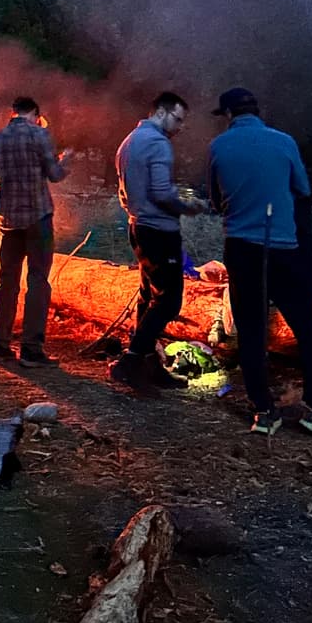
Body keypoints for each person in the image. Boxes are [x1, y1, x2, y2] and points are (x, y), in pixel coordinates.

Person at [208, 87, 312, 437]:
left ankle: (264, 412)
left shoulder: (218, 147)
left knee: (251, 331)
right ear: (258, 112)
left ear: (229, 115)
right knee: (308, 331)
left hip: (242, 249)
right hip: (285, 248)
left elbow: (216, 201)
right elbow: (302, 189)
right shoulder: (285, 142)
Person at [111, 92, 209, 396]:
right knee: (169, 300)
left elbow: (124, 190)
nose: (179, 127)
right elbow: (162, 193)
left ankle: (148, 365)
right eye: (178, 119)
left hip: (139, 226)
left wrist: (135, 214)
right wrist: (192, 206)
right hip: (158, 230)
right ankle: (129, 363)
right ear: (162, 112)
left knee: (147, 296)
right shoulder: (157, 144)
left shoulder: (129, 141)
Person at [0, 95, 72, 367]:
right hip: (38, 219)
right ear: (35, 113)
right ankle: (32, 349)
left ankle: (0, 345)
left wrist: (6, 180)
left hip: (8, 221)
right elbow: (55, 174)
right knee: (38, 280)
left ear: (13, 113)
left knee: (6, 281)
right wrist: (65, 159)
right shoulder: (39, 135)